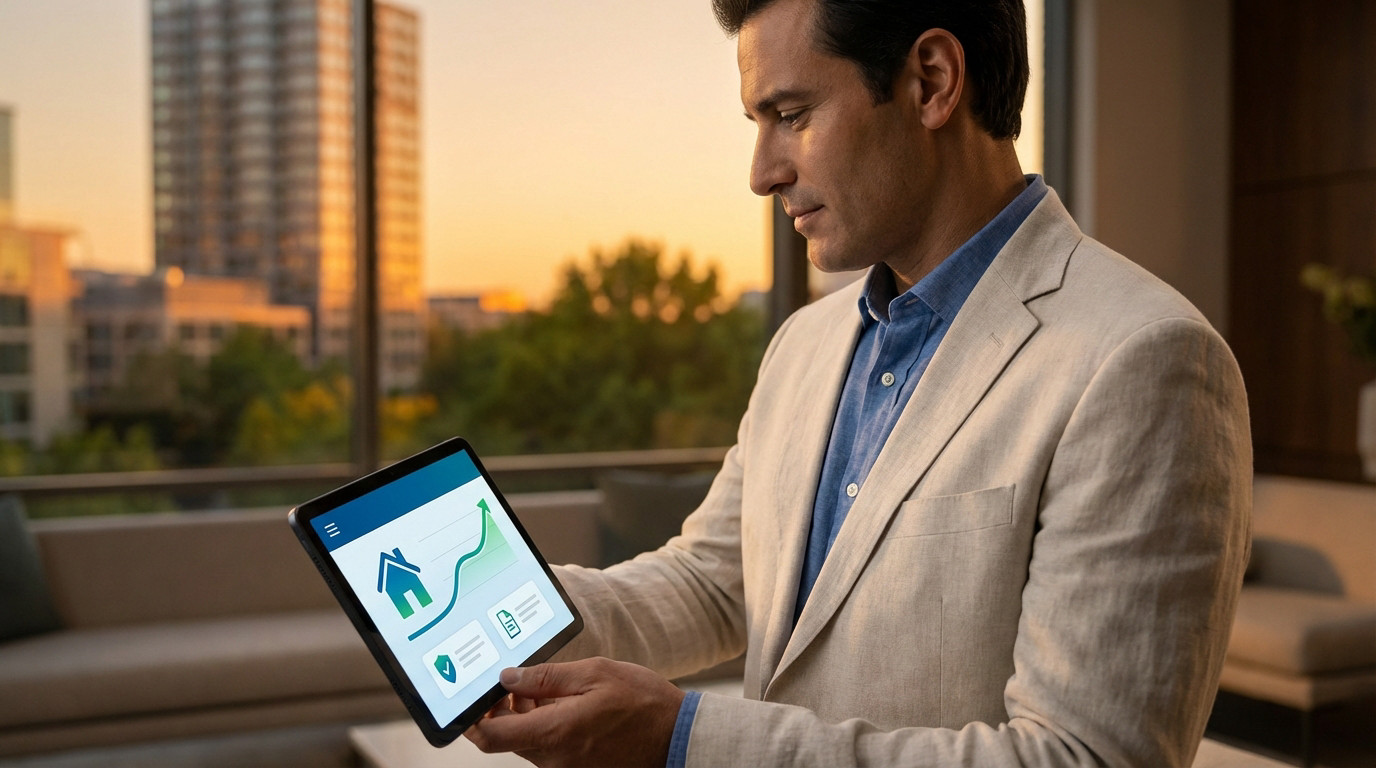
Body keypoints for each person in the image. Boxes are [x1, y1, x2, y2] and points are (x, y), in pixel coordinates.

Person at [466, 0, 1252, 765]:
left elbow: (1082, 756)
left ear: (932, 81)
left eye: (793, 114)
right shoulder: (804, 344)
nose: (762, 173)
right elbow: (714, 581)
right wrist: (510, 608)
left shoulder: (1146, 360)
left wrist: (683, 741)